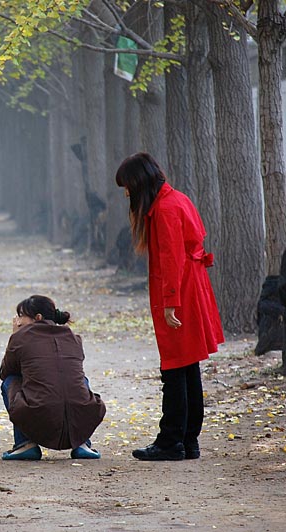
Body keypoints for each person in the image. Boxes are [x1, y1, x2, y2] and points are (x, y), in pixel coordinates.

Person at [115, 152, 224, 461]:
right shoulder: (177, 200)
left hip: (179, 295)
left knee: (175, 367)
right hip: (190, 289)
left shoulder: (164, 209)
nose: (126, 194)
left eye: (127, 187)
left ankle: (171, 440)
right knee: (188, 366)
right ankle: (188, 439)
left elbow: (172, 258)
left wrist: (170, 303)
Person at [0, 295, 105, 461]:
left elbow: (5, 372)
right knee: (79, 380)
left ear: (38, 318)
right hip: (82, 414)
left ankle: (25, 444)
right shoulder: (74, 338)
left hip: (39, 415)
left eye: (21, 316)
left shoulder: (21, 337)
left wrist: (14, 336)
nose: (17, 321)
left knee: (10, 380)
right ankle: (83, 443)